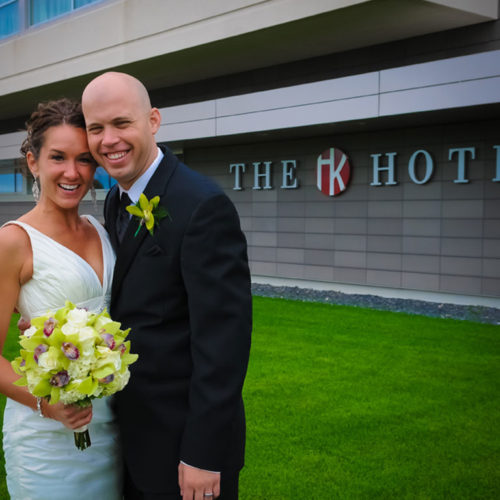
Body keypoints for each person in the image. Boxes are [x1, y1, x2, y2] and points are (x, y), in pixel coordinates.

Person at [82, 72, 252, 500]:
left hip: (186, 450)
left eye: (122, 123)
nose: (108, 140)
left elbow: (223, 344)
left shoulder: (202, 205)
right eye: (96, 128)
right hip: (131, 437)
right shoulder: (115, 199)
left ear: (153, 121)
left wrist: (202, 454)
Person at [0, 99, 122, 499]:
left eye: (84, 160)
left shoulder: (103, 230)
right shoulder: (14, 241)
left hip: (112, 425)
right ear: (33, 162)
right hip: (45, 437)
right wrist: (47, 405)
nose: (73, 173)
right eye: (58, 157)